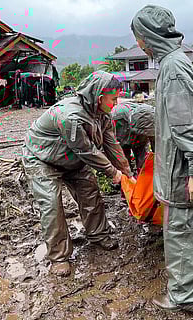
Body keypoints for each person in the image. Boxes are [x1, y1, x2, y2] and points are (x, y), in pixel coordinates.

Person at [131, 5, 193, 313]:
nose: (139, 44)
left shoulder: (174, 69)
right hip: (181, 170)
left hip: (183, 173)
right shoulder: (176, 63)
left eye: (139, 37)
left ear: (148, 37)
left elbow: (189, 127)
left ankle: (186, 297)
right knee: (187, 232)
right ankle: (191, 286)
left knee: (183, 233)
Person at [22, 71, 133, 277]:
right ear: (99, 97)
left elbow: (111, 145)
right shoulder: (70, 116)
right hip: (42, 158)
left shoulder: (102, 114)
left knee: (90, 192)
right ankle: (59, 257)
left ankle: (98, 234)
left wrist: (127, 172)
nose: (116, 103)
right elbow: (87, 151)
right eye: (114, 99)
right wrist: (113, 173)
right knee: (52, 206)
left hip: (73, 159)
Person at [110, 102, 154, 173]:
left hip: (140, 142)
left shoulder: (152, 119)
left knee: (143, 163)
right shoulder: (116, 116)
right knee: (124, 165)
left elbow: (154, 142)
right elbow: (111, 144)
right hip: (121, 138)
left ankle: (141, 178)